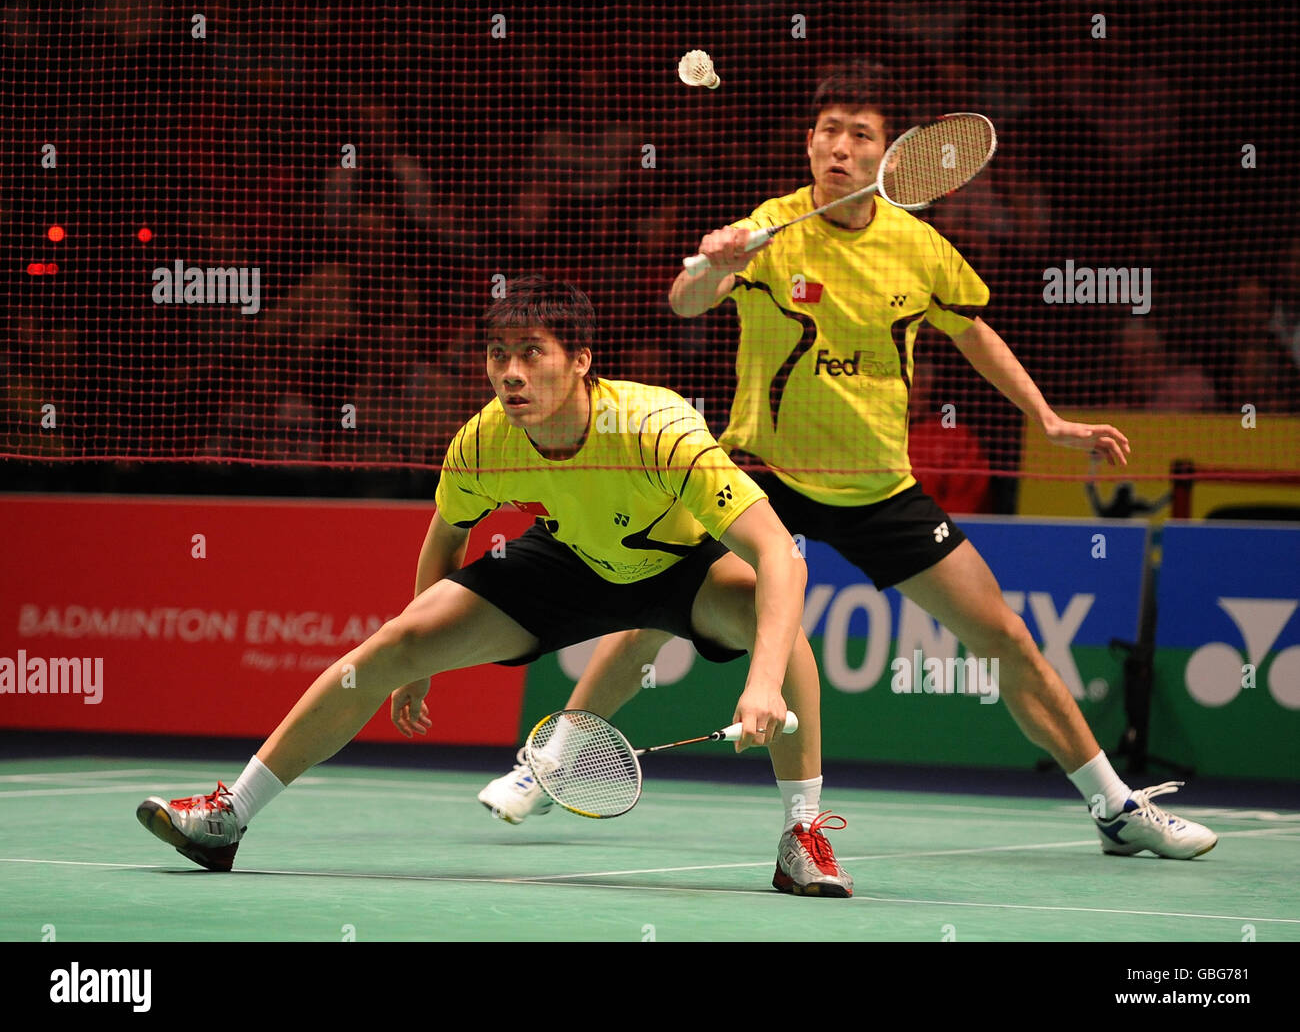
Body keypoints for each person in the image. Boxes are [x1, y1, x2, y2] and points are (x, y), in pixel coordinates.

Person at [478, 67, 1217, 862]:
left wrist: (1046, 418)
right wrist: (711, 261)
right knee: (652, 615)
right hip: (761, 470)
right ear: (809, 143)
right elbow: (684, 301)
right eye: (828, 129)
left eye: (860, 133)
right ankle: (548, 764)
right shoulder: (774, 226)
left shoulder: (918, 245)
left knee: (1004, 634)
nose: (840, 145)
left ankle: (1114, 806)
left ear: (889, 157)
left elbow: (972, 330)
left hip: (877, 485)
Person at [136, 278, 853, 897]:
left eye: (531, 352)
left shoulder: (656, 428)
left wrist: (763, 684)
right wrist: (413, 664)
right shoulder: (484, 441)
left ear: (580, 361)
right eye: (497, 354)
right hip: (569, 561)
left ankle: (801, 838)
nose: (510, 372)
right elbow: (447, 536)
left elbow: (780, 557)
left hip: (680, 564)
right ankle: (227, 816)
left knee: (780, 625)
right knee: (391, 643)